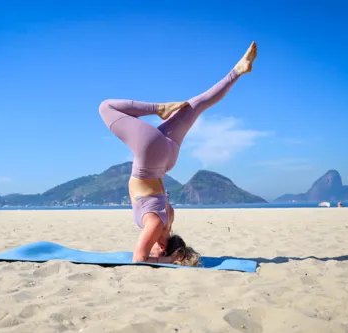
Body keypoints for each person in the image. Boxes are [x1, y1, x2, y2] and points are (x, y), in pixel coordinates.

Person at [99, 42, 258, 266]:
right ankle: (159, 109)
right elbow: (139, 259)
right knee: (106, 107)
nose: (152, 244)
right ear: (163, 247)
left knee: (196, 106)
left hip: (168, 159)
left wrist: (177, 253)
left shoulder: (169, 218)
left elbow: (162, 214)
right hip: (151, 155)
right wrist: (169, 259)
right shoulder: (154, 224)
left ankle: (237, 71)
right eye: (157, 247)